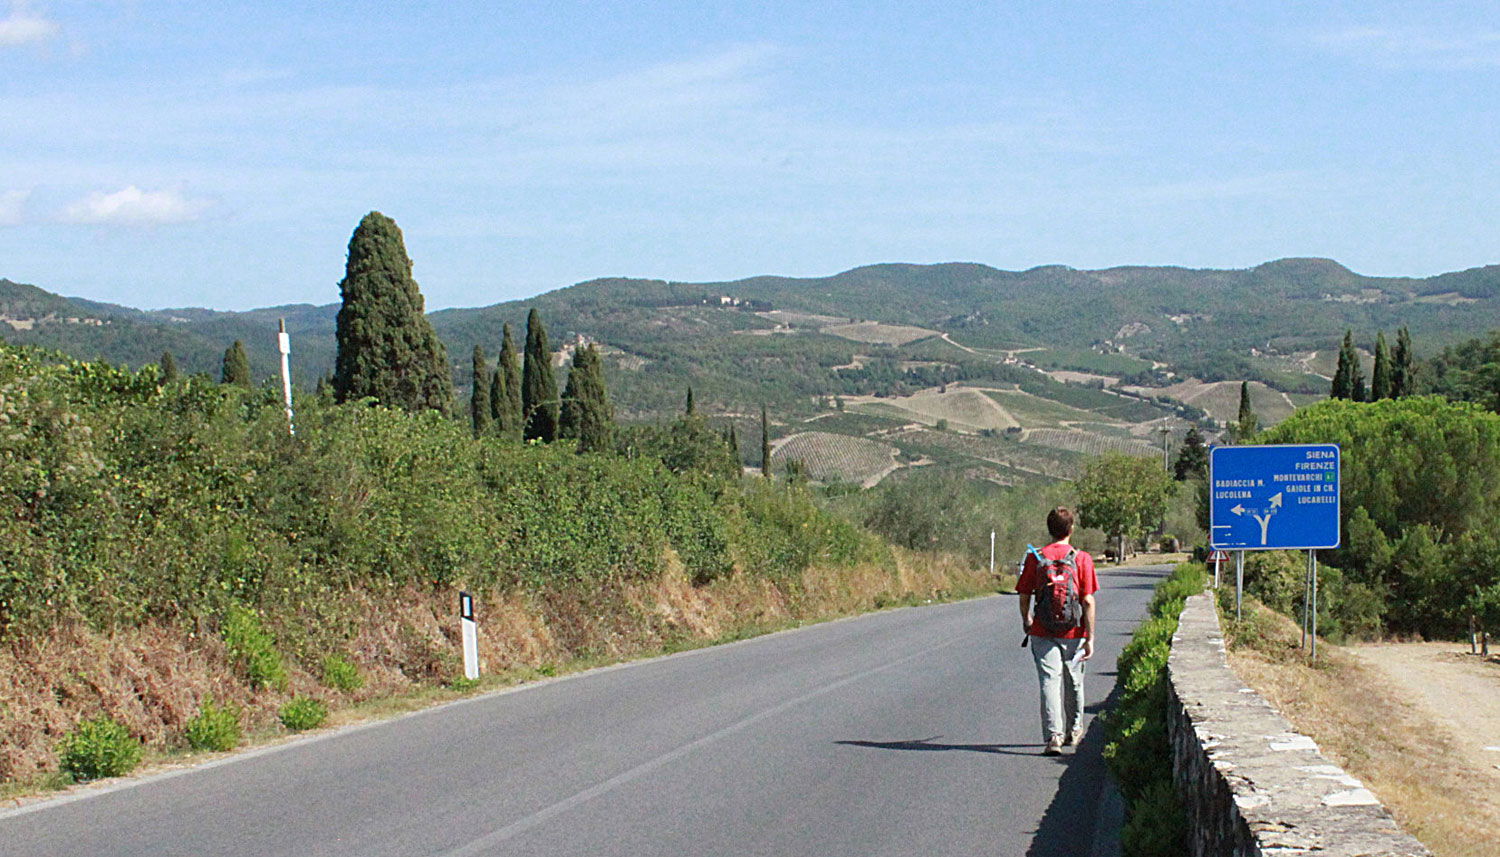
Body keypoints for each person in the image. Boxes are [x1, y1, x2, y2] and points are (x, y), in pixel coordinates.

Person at [1016, 506, 1098, 756]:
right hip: (1073, 632)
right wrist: (1090, 636)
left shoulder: (1037, 557)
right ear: (1071, 529)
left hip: (1042, 630)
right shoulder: (1081, 558)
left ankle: (1053, 736)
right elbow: (1088, 601)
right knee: (1074, 681)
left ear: (1049, 529)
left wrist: (1027, 619)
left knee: (1049, 681)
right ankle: (1074, 731)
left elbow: (1024, 593)